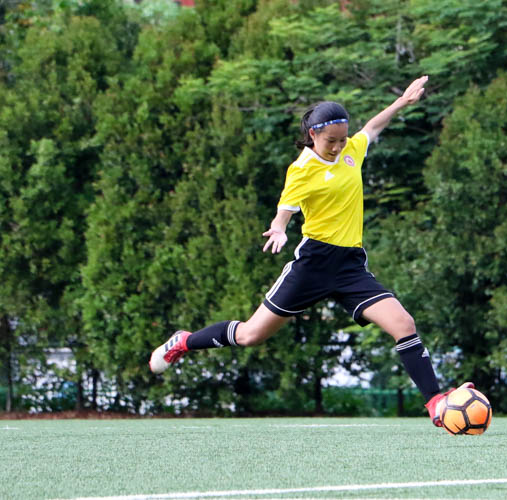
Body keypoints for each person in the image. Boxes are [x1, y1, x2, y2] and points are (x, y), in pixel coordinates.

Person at [149, 75, 472, 426]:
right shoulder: (302, 168)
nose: (336, 146)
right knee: (250, 335)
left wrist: (402, 102)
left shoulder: (351, 151)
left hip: (350, 266)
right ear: (313, 135)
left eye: (342, 139)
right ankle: (184, 342)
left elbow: (374, 126)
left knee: (403, 323)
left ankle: (436, 403)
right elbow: (286, 208)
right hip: (313, 263)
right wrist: (279, 227)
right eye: (330, 141)